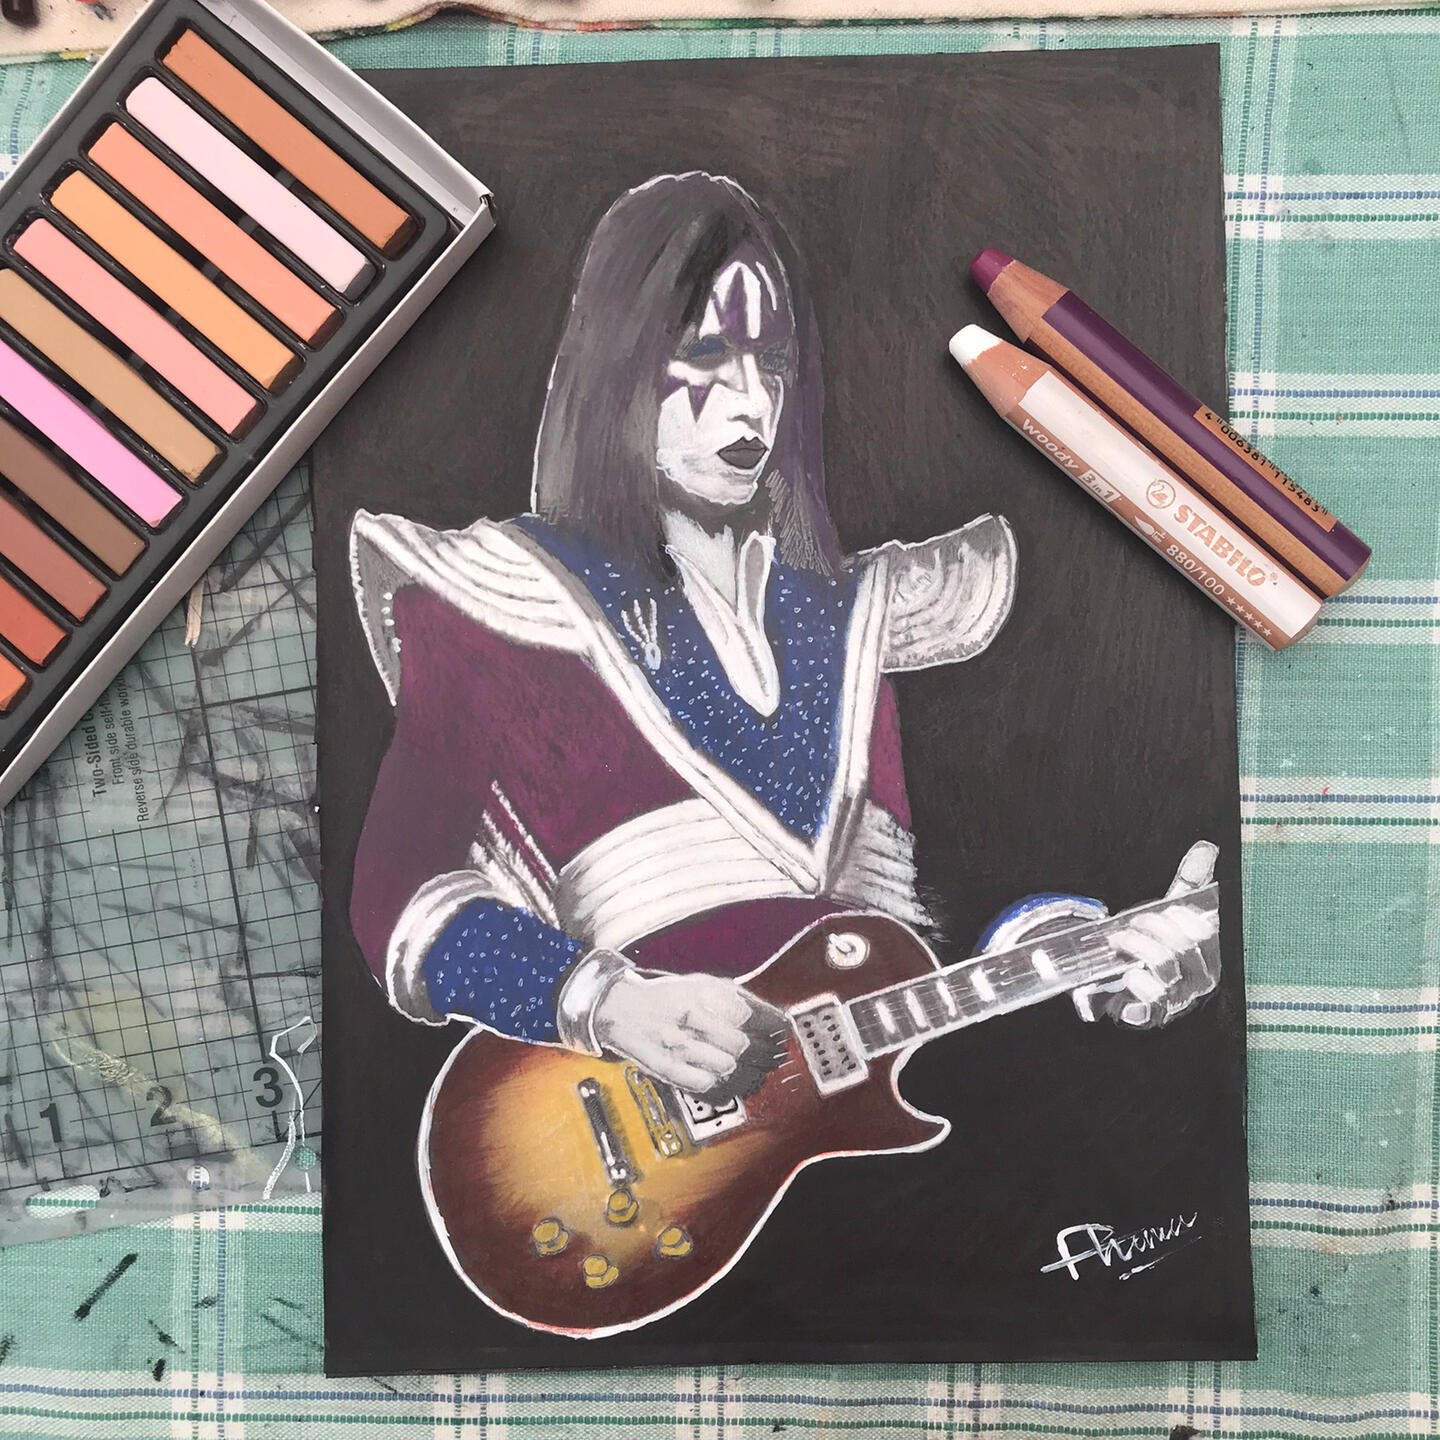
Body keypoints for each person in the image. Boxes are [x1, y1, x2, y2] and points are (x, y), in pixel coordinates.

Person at [347, 172, 1218, 1098]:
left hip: (894, 1124)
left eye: (772, 361)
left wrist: (1081, 957)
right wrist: (603, 1000)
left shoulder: (877, 609)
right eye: (704, 353)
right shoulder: (500, 597)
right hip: (618, 1138)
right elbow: (401, 899)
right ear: (616, 364)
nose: (750, 402)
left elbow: (946, 919)